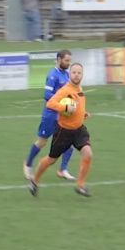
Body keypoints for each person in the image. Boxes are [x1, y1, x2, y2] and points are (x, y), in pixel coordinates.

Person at [29, 63, 92, 198]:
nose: (76, 75)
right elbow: (50, 103)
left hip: (79, 130)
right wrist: (65, 109)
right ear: (70, 74)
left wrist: (82, 113)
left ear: (82, 75)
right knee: (51, 160)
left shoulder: (79, 88)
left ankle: (80, 185)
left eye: (79, 73)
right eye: (74, 72)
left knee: (88, 154)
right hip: (63, 132)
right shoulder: (65, 90)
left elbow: (76, 105)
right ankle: (34, 180)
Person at [23, 49, 75, 181]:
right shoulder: (53, 75)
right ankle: (27, 164)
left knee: (70, 141)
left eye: (70, 60)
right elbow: (47, 95)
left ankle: (63, 169)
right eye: (66, 60)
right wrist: (62, 103)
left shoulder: (67, 75)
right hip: (51, 115)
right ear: (59, 59)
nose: (69, 63)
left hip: (64, 115)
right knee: (42, 142)